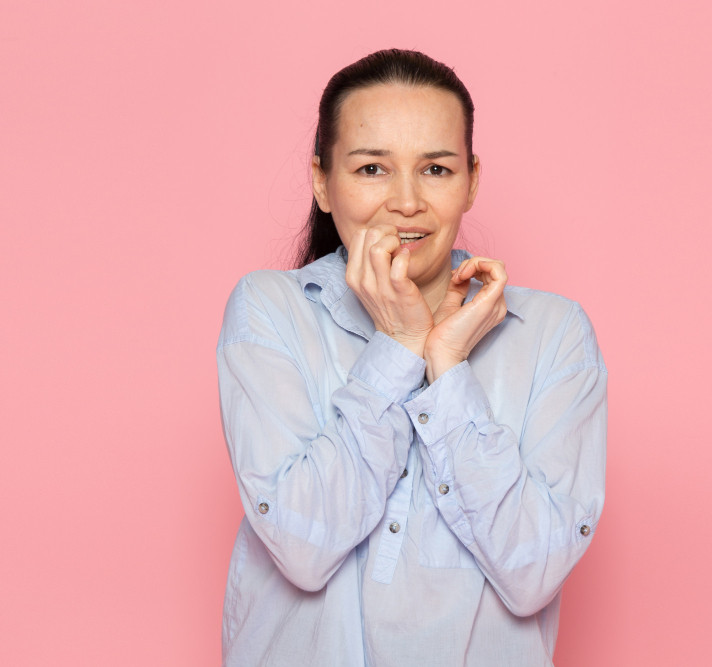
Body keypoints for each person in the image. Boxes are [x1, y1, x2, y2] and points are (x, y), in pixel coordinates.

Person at [216, 48, 606, 666]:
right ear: (322, 182)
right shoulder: (269, 311)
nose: (405, 202)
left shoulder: (554, 333)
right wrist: (398, 347)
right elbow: (301, 545)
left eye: (436, 170)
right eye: (372, 168)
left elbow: (534, 571)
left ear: (471, 181)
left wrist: (447, 366)